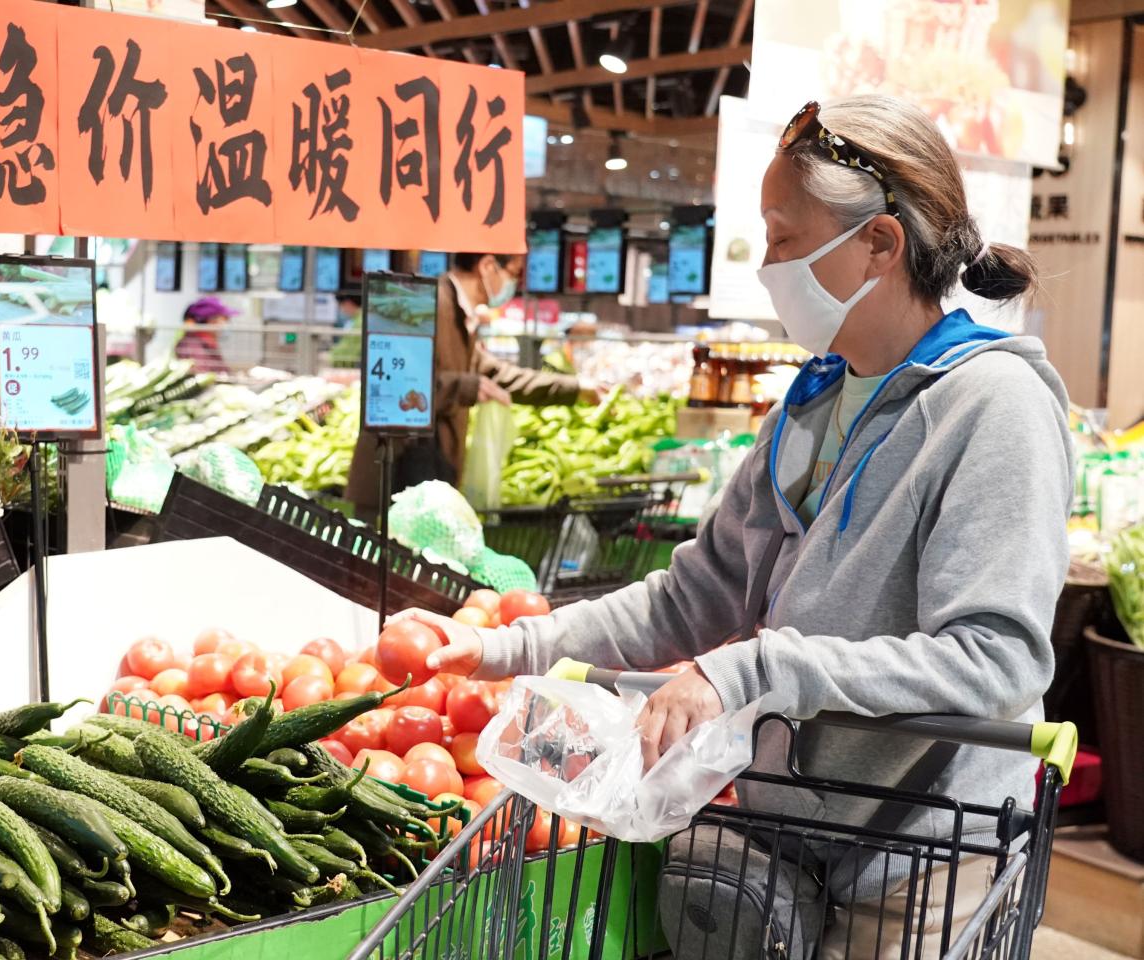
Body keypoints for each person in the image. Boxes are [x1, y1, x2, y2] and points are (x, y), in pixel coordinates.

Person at [400, 96, 1075, 957]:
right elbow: (693, 597)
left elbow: (996, 656)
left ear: (879, 244)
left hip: (930, 848)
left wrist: (756, 667)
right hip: (795, 831)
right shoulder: (810, 404)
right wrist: (509, 648)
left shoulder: (993, 407)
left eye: (785, 238)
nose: (768, 264)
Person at [345, 251, 590, 515]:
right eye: (514, 274)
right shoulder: (420, 303)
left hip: (428, 478)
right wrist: (468, 387)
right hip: (393, 480)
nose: (514, 286)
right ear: (487, 266)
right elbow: (393, 386)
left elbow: (495, 375)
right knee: (382, 555)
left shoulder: (461, 316)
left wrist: (576, 388)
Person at [174, 296, 235, 374]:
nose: (226, 324)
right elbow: (203, 375)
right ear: (212, 321)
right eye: (225, 319)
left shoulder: (208, 343)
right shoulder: (191, 345)